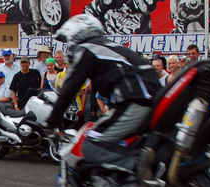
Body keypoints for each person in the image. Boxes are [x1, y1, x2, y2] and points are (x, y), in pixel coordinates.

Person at [45, 13, 160, 178]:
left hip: (135, 101)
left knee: (90, 144)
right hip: (149, 101)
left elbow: (69, 88)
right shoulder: (110, 47)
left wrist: (51, 122)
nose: (68, 46)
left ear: (76, 34)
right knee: (119, 143)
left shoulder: (87, 49)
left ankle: (140, 165)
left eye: (68, 40)